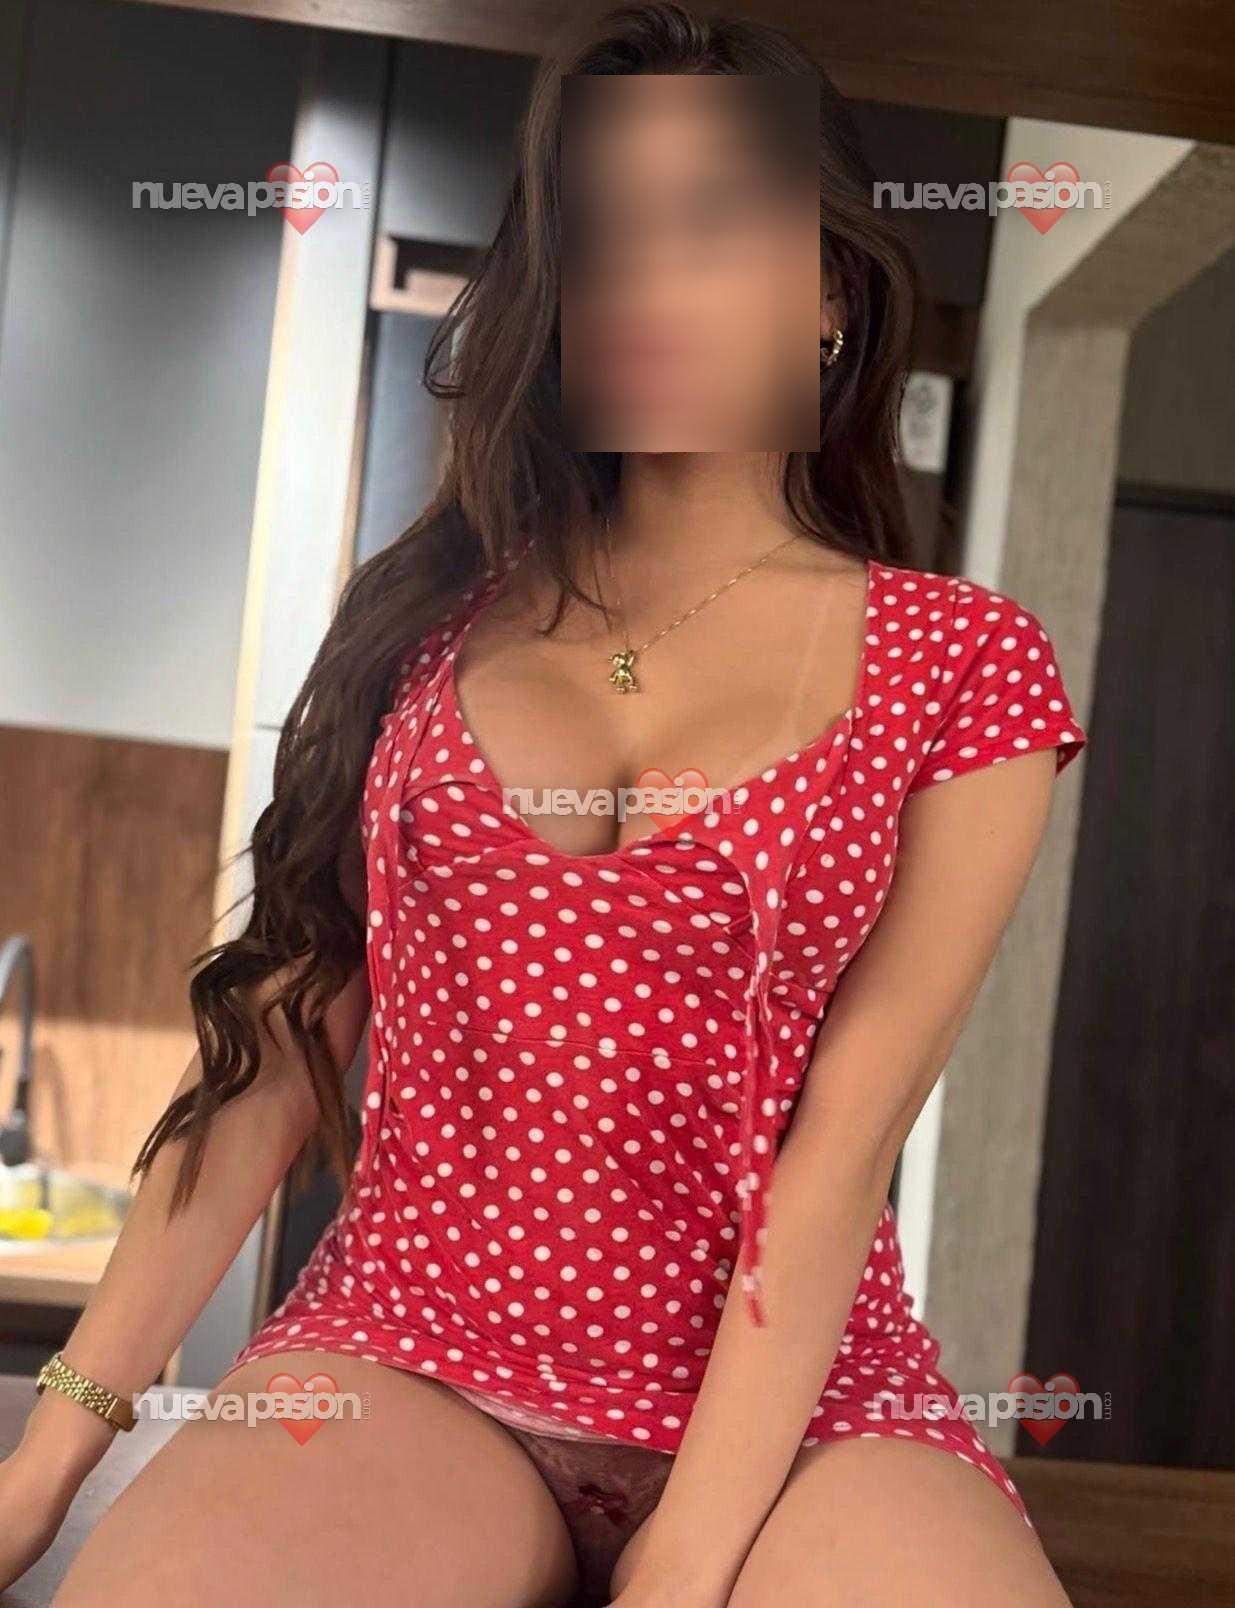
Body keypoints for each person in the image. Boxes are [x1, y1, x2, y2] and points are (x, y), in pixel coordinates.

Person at [2, 6, 1085, 1604]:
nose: (649, 281)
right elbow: (275, 1052)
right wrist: (46, 1460)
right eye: (600, 231)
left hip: (801, 1413)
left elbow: (841, 1152)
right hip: (414, 1352)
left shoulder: (962, 663)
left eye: (713, 221)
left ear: (831, 291)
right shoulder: (428, 625)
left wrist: (682, 1563)